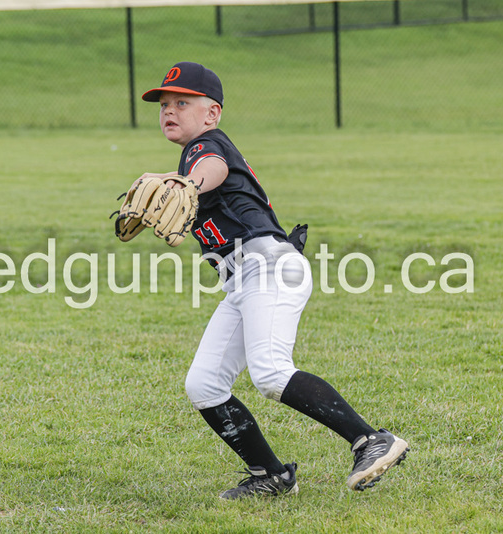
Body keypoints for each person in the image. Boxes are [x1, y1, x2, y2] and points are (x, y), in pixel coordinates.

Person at [136, 62, 409, 499]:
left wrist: (187, 182)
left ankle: (370, 439)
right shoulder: (195, 153)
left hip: (269, 270)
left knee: (270, 372)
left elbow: (213, 167)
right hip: (243, 281)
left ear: (212, 114)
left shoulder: (204, 148)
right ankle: (272, 475)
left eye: (182, 103)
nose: (169, 110)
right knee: (204, 384)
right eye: (164, 105)